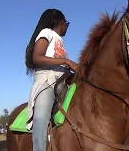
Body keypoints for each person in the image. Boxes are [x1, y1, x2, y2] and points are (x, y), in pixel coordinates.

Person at [25, 9, 78, 151]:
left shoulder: (59, 40)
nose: (67, 26)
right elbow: (37, 57)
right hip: (47, 80)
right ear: (59, 22)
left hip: (64, 79)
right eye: (66, 23)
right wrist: (67, 62)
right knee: (40, 118)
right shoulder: (46, 32)